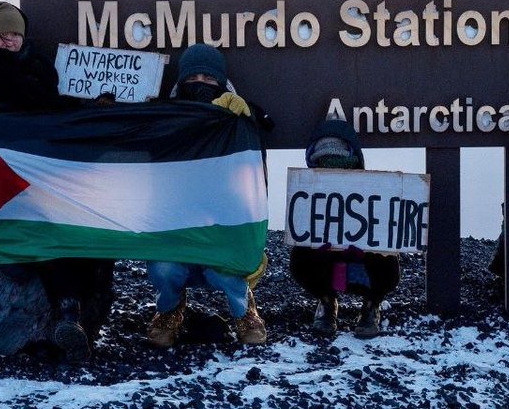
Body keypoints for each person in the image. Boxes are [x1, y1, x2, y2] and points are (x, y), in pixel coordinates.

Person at [0, 2, 110, 361]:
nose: (9, 41)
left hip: (40, 188)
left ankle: (71, 317)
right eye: (0, 35)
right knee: (33, 244)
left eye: (14, 34)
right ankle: (68, 312)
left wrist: (97, 109)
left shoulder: (43, 75)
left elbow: (62, 117)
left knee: (74, 234)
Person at [145, 43, 272, 347]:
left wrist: (246, 120)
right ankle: (169, 310)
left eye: (208, 77)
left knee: (228, 272)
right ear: (181, 82)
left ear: (221, 82)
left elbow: (254, 178)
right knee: (164, 269)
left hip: (221, 231)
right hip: (178, 233)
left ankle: (245, 312)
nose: (200, 83)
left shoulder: (238, 116)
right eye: (193, 77)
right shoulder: (164, 117)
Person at [289, 118, 401, 339]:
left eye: (340, 160)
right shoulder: (309, 191)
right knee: (301, 255)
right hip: (327, 261)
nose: (333, 165)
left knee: (386, 251)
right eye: (325, 160)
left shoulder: (374, 192)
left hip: (364, 262)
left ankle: (371, 305)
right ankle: (327, 302)